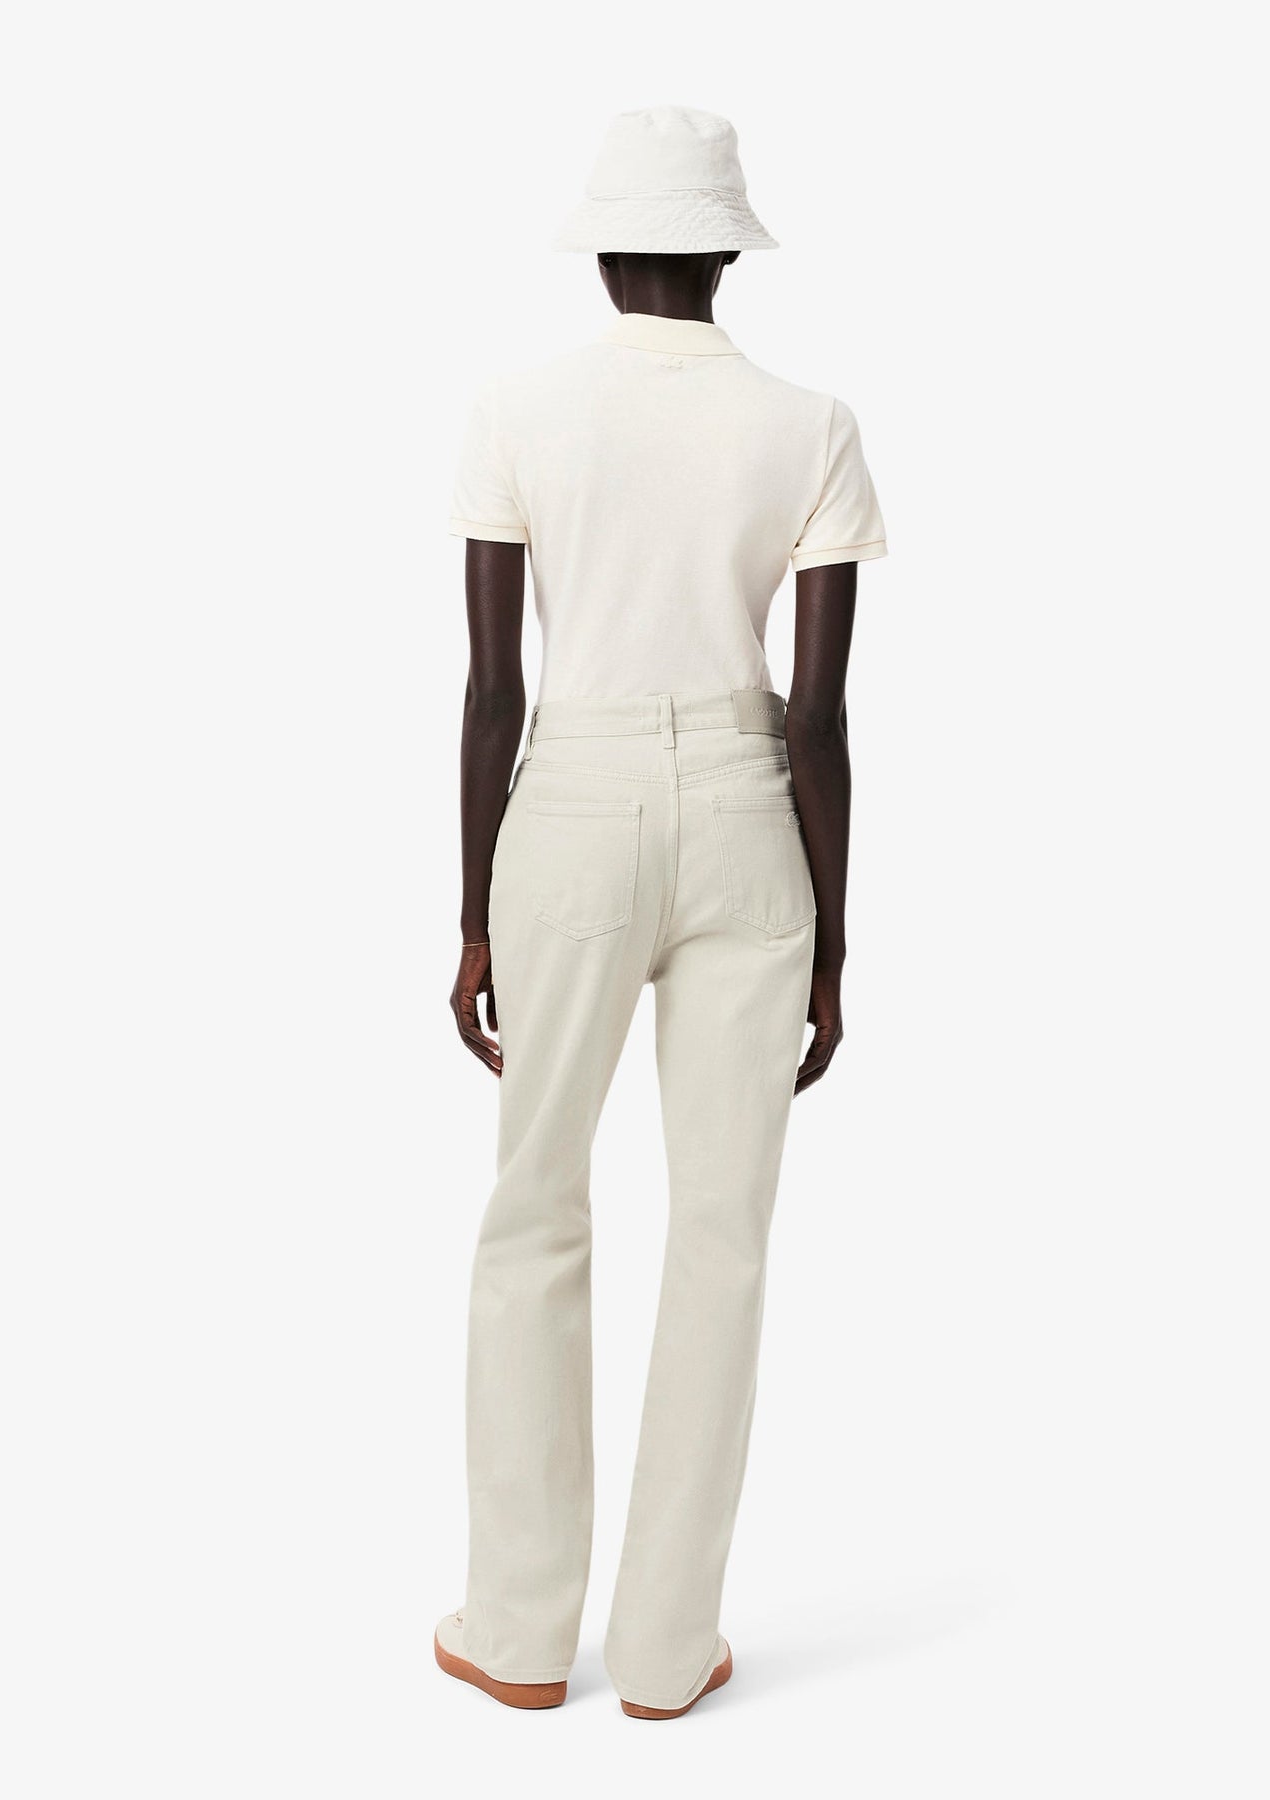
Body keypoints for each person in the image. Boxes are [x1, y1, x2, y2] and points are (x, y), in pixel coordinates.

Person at [435, 105, 886, 1720]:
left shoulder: (517, 414)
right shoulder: (813, 426)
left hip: (567, 807)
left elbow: (496, 689)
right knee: (721, 1236)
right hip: (752, 819)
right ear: (724, 257)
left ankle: (516, 1632)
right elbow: (817, 715)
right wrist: (832, 934)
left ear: (608, 253)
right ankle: (670, 1649)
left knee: (534, 1207)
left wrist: (473, 917)